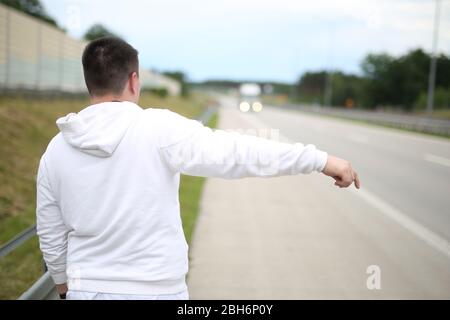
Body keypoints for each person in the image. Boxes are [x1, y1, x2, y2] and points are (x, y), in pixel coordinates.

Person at [36, 37, 360, 300]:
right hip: (155, 289)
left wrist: (65, 285)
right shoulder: (158, 128)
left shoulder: (56, 148)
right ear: (133, 80)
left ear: (88, 82)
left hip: (85, 287)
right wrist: (319, 159)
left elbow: (50, 231)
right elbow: (237, 152)